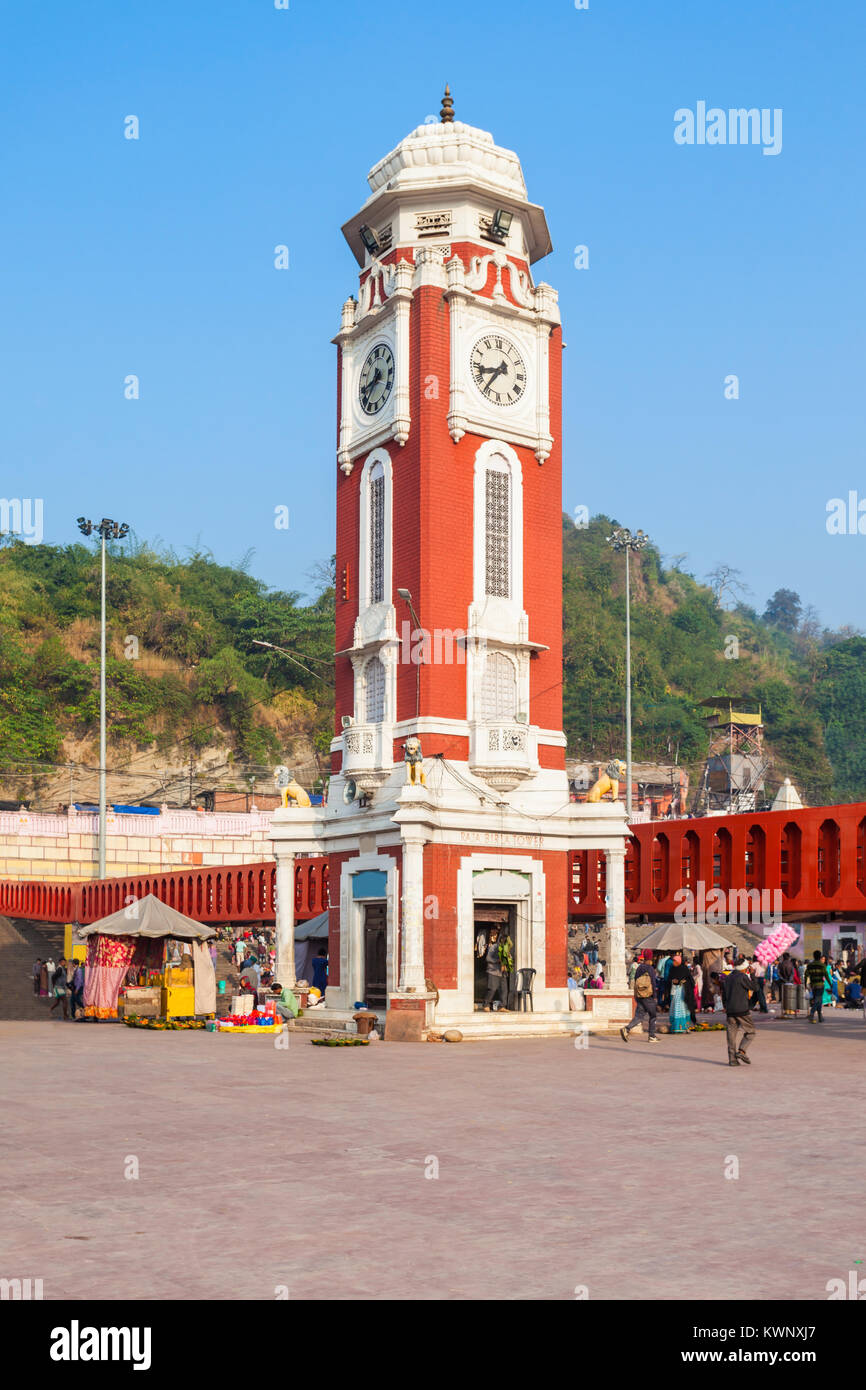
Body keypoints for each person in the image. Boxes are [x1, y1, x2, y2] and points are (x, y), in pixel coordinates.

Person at [720, 961, 757, 1066]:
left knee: (731, 1036)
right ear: (745, 968)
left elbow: (724, 995)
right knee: (751, 1032)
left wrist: (725, 1007)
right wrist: (753, 975)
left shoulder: (727, 978)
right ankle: (741, 1051)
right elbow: (755, 987)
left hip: (730, 1011)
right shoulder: (742, 977)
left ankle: (732, 1060)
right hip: (742, 1010)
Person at [620, 953, 659, 1043]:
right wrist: (655, 996)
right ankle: (652, 1036)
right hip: (648, 996)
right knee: (653, 1015)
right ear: (650, 959)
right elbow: (653, 983)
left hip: (639, 995)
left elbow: (636, 980)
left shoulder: (639, 968)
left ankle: (627, 1029)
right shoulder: (650, 969)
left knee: (639, 1016)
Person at [667, 952, 695, 1032]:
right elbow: (669, 979)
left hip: (682, 991)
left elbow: (689, 980)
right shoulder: (672, 969)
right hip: (674, 991)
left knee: (682, 1007)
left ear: (678, 961)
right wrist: (673, 981)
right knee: (675, 1006)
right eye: (673, 961)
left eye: (675, 961)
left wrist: (681, 981)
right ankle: (676, 1026)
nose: (673, 962)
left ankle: (684, 1026)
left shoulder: (684, 968)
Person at [482, 927, 508, 1012]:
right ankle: (486, 1005)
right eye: (503, 940)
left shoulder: (506, 949)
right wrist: (498, 960)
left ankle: (502, 1006)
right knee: (492, 989)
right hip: (493, 971)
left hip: (502, 972)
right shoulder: (494, 947)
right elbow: (488, 958)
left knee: (504, 990)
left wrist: (508, 959)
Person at [806, 950, 827, 1023]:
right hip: (820, 985)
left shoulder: (810, 965)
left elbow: (806, 975)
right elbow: (826, 975)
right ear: (820, 956)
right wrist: (830, 984)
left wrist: (805, 984)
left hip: (813, 985)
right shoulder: (822, 965)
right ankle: (812, 1014)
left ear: (813, 956)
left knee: (818, 1000)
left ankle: (820, 1017)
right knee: (818, 1000)